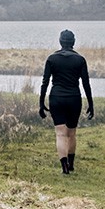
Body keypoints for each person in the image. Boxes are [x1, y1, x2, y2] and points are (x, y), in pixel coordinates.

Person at [39, 29, 93, 174]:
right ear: (73, 42)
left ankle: (64, 168)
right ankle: (71, 164)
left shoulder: (51, 59)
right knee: (71, 133)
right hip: (74, 98)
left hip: (56, 98)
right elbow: (86, 84)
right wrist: (91, 104)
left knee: (60, 134)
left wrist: (41, 103)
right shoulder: (80, 60)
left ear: (60, 42)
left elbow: (45, 82)